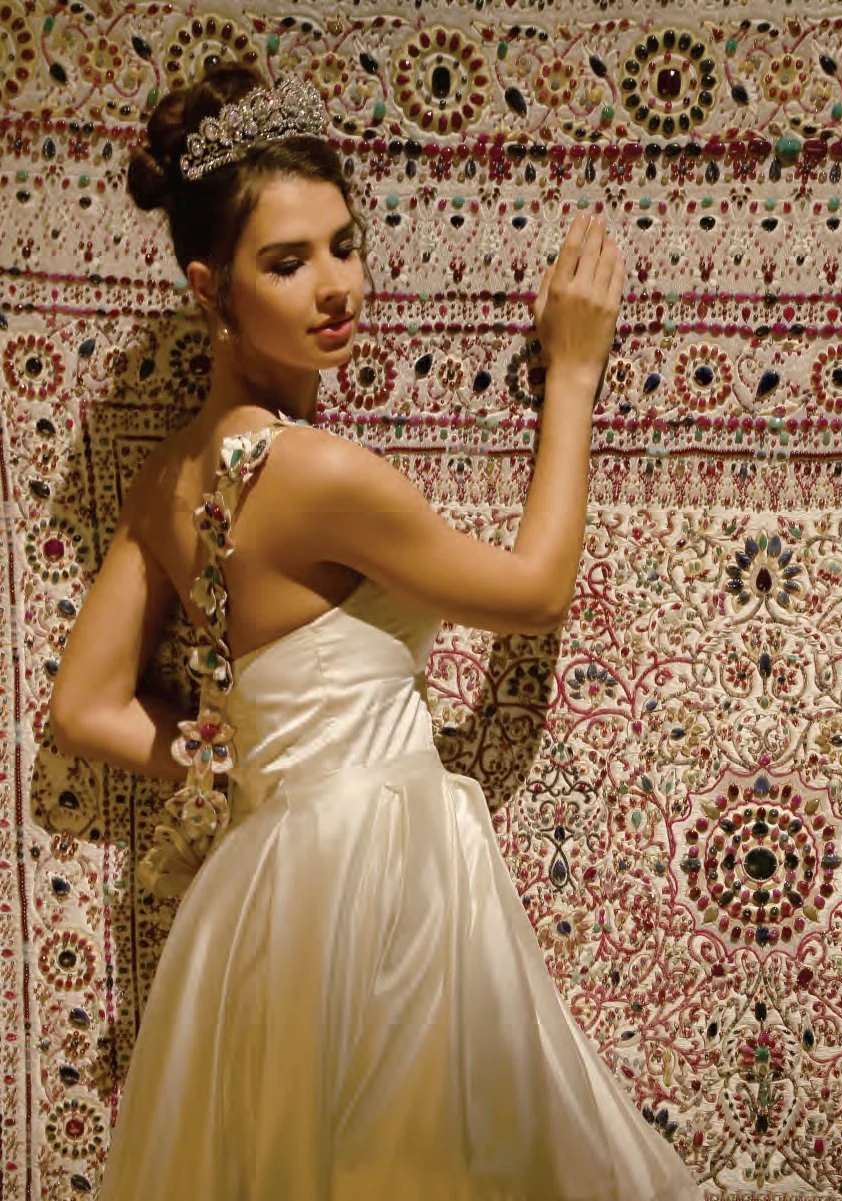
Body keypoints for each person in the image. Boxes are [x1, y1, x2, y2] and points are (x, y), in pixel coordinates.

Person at [49, 64, 700, 1201]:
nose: (335, 287)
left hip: (263, 887)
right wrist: (576, 373)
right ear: (210, 289)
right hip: (380, 868)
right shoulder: (321, 472)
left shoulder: (167, 482)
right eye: (287, 263)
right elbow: (535, 588)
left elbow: (88, 706)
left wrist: (241, 755)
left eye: (343, 245)